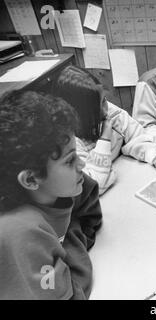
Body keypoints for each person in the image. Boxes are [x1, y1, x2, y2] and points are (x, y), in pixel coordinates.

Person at [0, 90, 103, 299]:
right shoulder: (20, 231)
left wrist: (67, 243)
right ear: (31, 179)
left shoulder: (64, 187)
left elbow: (88, 206)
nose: (82, 165)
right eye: (70, 160)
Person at [53, 65, 156, 195]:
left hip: (124, 182)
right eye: (97, 106)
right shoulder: (66, 141)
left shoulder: (109, 111)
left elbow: (137, 135)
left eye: (104, 100)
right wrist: (104, 138)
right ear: (77, 113)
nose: (105, 109)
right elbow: (95, 185)